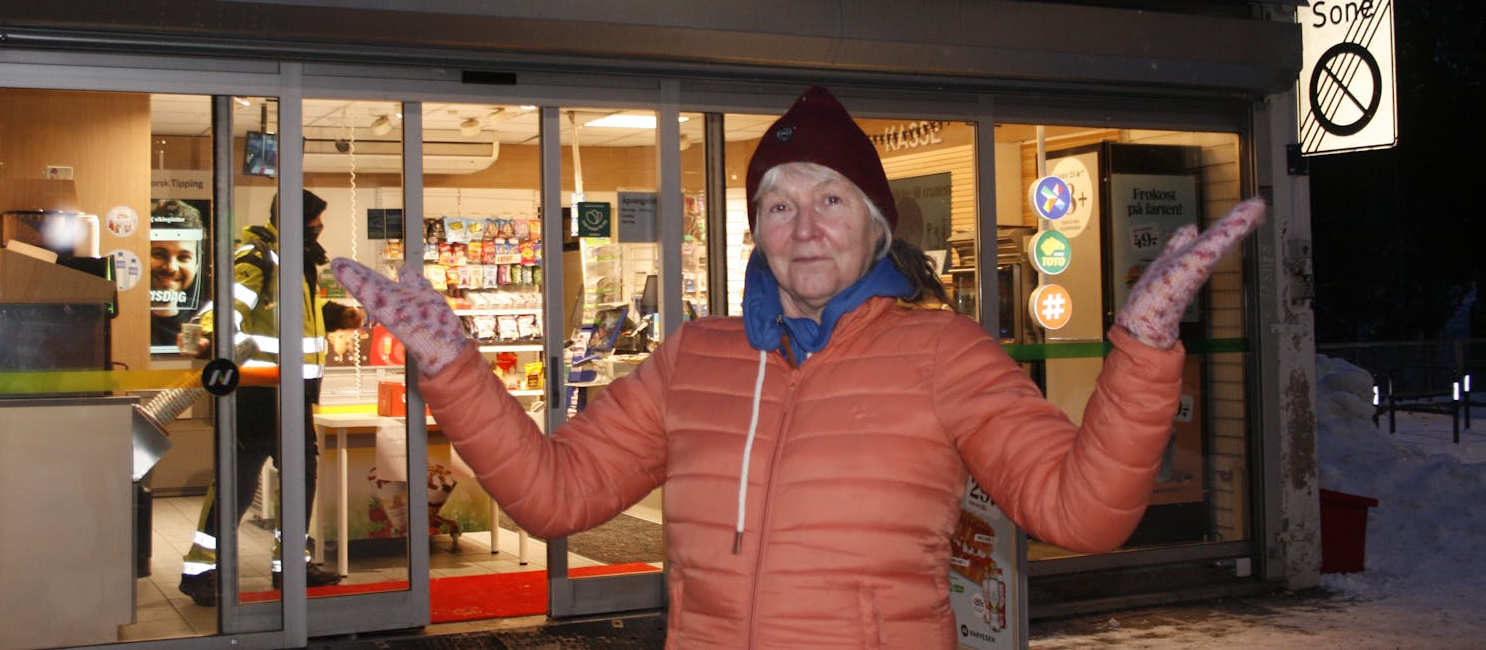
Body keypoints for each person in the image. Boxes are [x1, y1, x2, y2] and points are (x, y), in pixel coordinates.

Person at [332, 86, 1265, 647]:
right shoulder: (696, 356)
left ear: (876, 227)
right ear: (758, 230)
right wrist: (455, 367)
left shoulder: (943, 352)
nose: (806, 227)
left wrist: (1143, 353)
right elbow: (554, 493)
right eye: (780, 205)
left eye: (832, 200)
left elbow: (1082, 512)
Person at [177, 189, 347, 606]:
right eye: (313, 221)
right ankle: (200, 571)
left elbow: (292, 320)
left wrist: (340, 316)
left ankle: (291, 566)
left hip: (293, 395)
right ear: (292, 218)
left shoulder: (296, 260)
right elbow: (228, 309)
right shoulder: (259, 257)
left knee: (300, 480)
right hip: (258, 394)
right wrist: (211, 338)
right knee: (237, 482)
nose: (318, 228)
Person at [149, 199, 206, 351]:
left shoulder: (209, 318)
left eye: (183, 257)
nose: (171, 268)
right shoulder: (123, 316)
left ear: (197, 264)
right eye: (159, 254)